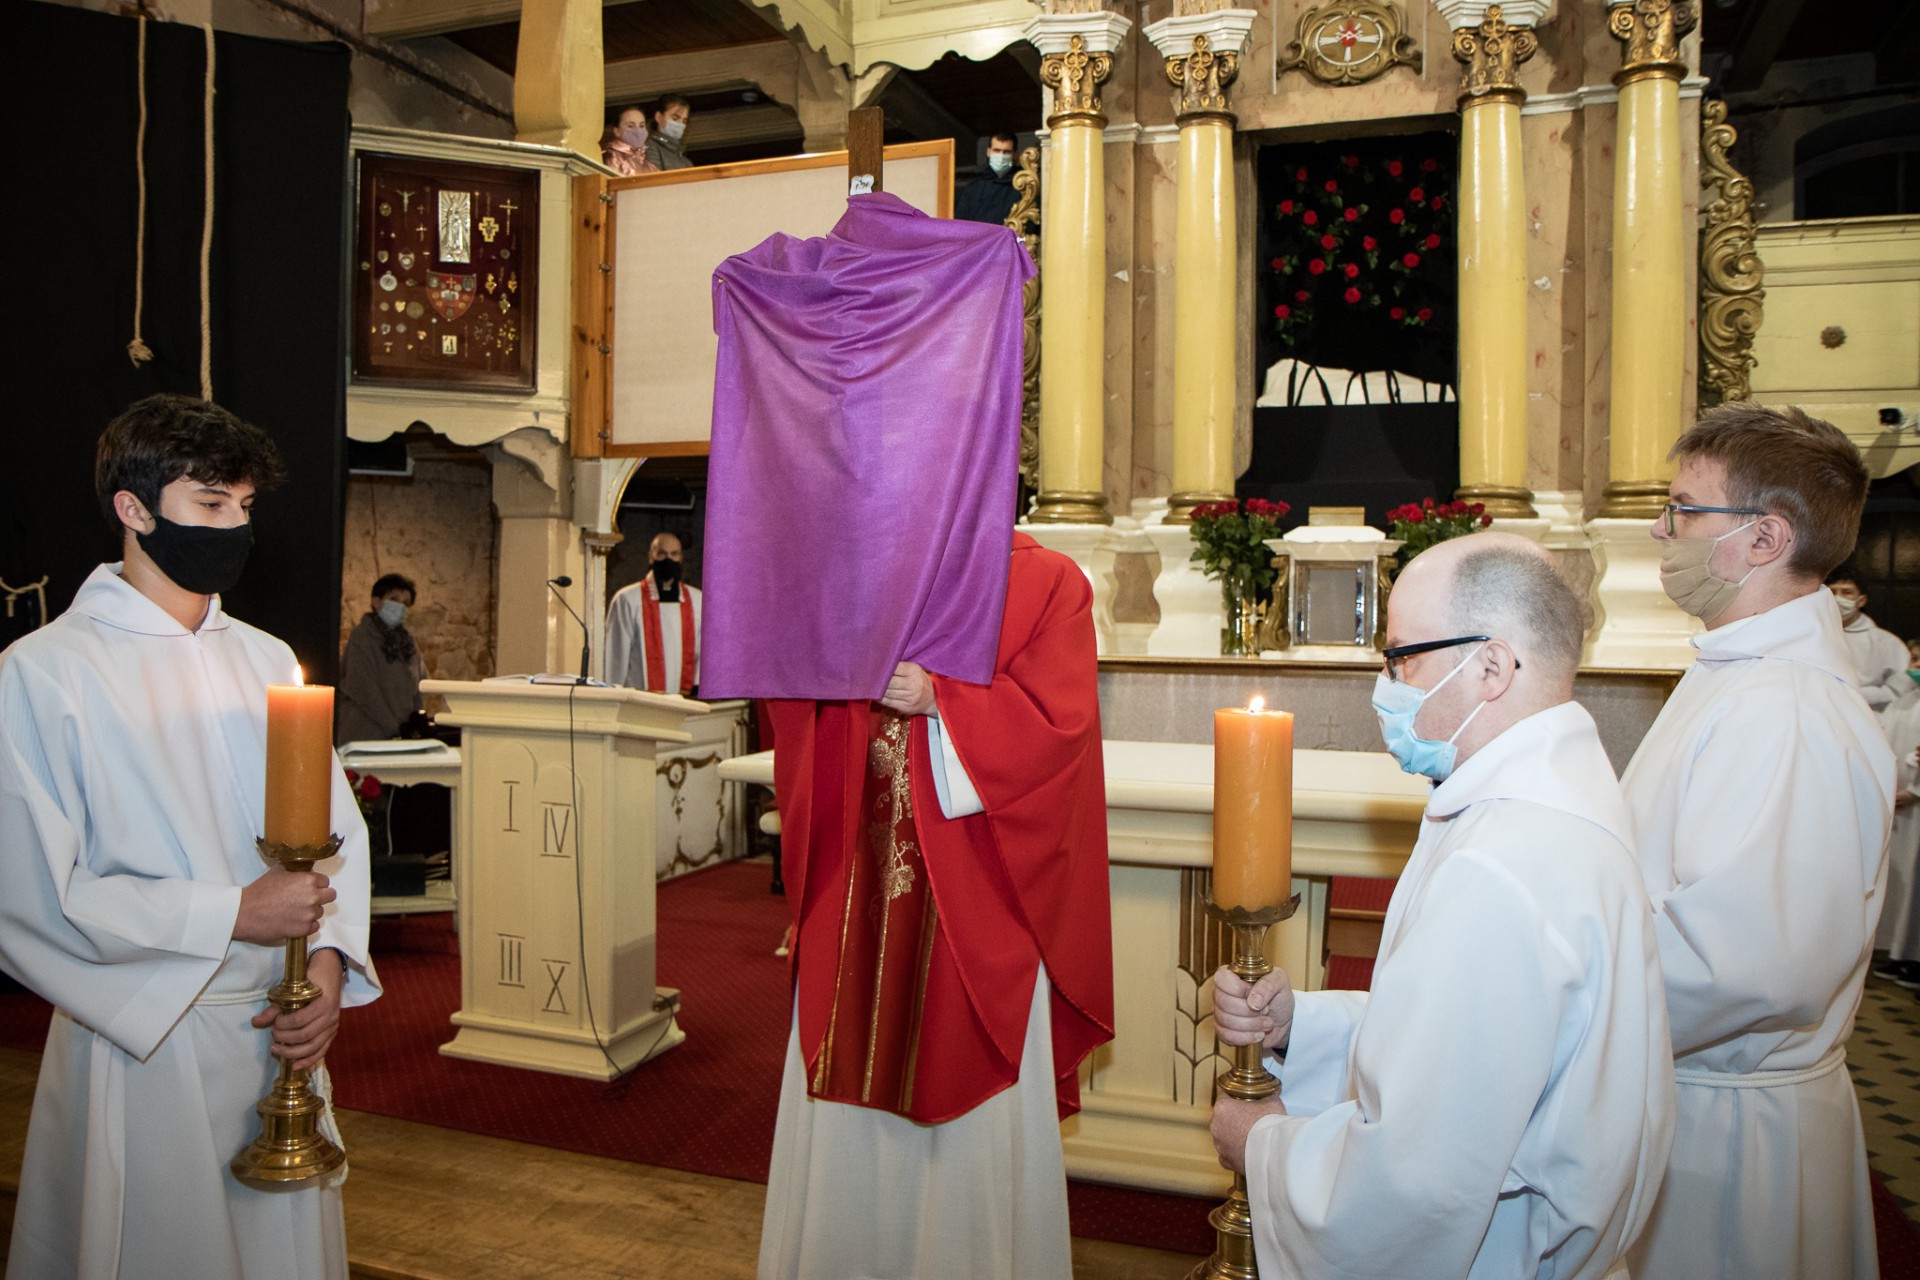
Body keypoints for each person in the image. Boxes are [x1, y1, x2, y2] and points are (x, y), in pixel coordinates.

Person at [1207, 532, 1674, 1279]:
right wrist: (1301, 1027)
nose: (1385, 685)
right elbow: (1472, 1053)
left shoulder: (1503, 864)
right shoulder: (1551, 808)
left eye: (1402, 658)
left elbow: (1413, 1183)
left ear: (1491, 666)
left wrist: (1262, 1146)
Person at [0, 394, 379, 1279]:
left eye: (244, 506)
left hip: (277, 1027)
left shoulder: (265, 659)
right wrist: (231, 915)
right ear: (133, 510)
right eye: (210, 504)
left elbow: (334, 837)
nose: (234, 528)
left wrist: (326, 964)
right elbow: (30, 894)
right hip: (148, 1035)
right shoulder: (46, 674)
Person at [757, 532, 1114, 1280]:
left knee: (964, 1095)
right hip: (855, 888)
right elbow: (794, 701)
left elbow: (1063, 732)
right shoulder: (851, 567)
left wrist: (941, 700)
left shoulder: (1046, 581)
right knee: (843, 1079)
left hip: (977, 897)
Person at [1620, 402, 1892, 1279]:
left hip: (1728, 1140)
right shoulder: (1742, 677)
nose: (1662, 532)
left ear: (1765, 538)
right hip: (1694, 1096)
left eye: (1683, 510)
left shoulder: (1786, 711)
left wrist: (1564, 1002)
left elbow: (1741, 968)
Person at [335, 572, 425, 745]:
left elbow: (420, 685)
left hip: (402, 736)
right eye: (394, 599)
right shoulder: (363, 637)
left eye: (405, 603)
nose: (400, 607)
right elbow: (364, 688)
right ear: (376, 601)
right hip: (366, 734)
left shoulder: (408, 642)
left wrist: (415, 724)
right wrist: (393, 727)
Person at [606, 532, 701, 696]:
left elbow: (702, 654)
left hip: (683, 700)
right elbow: (616, 655)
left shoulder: (697, 600)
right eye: (662, 554)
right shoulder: (628, 599)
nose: (668, 560)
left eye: (674, 554)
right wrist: (612, 694)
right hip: (640, 700)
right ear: (651, 557)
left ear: (681, 558)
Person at [1828, 569, 1909, 711]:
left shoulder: (1886, 642)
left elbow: (1901, 689)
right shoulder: (1812, 634)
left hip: (1870, 714)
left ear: (1861, 600)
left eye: (1847, 592)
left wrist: (1855, 695)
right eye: (1832, 592)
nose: (1838, 598)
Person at [954, 132, 1021, 225]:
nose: (1001, 156)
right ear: (988, 152)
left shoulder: (1023, 186)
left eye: (1006, 152)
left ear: (1015, 154)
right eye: (996, 150)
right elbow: (960, 223)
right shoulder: (973, 188)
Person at [601, 104, 658, 177]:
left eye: (641, 126)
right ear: (617, 131)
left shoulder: (645, 159)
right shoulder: (612, 157)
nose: (638, 131)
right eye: (630, 126)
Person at [645, 94, 693, 171]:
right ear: (659, 117)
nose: (680, 124)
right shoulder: (650, 147)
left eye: (684, 121)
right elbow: (653, 176)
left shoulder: (684, 159)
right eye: (675, 118)